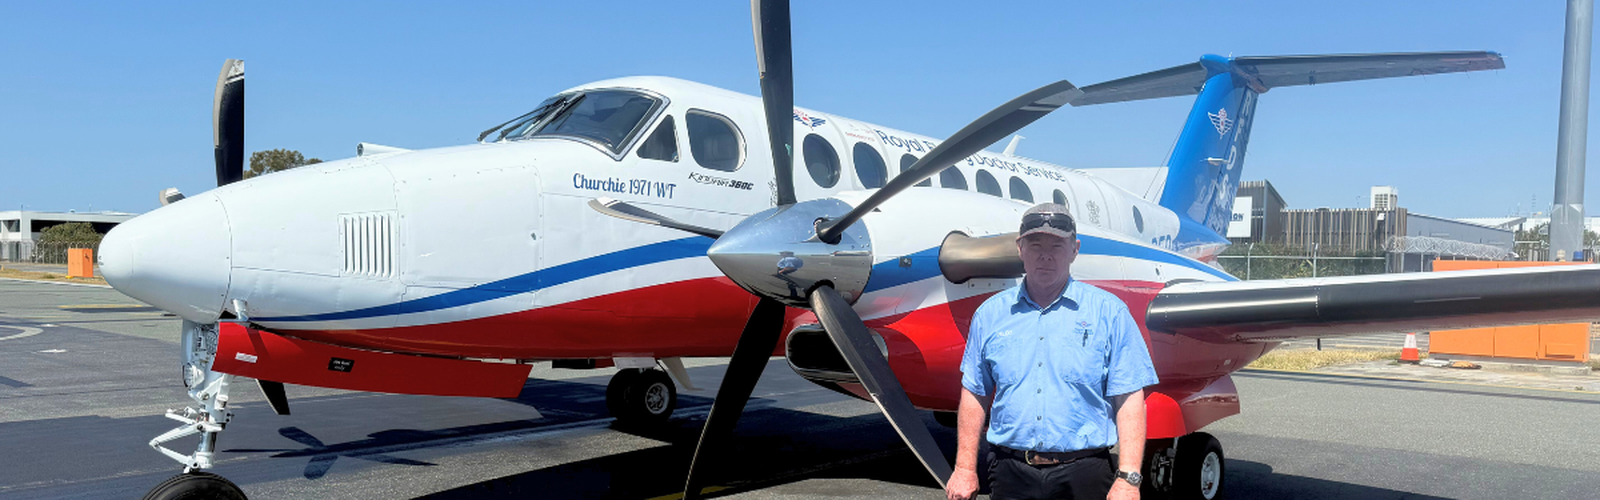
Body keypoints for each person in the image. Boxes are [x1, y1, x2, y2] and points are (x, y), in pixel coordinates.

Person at [946, 203, 1159, 500]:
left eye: (1057, 244)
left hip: (1085, 473)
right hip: (1010, 473)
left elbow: (1129, 397)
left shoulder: (1110, 313)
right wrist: (964, 468)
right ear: (1020, 248)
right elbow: (974, 392)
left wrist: (1128, 478)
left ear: (1075, 249)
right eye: (1035, 244)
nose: (1045, 254)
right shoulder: (990, 315)